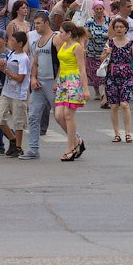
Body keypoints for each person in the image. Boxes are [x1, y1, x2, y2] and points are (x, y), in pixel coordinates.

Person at [54, 22, 90, 162]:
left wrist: (85, 89)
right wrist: (57, 80)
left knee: (68, 116)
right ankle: (76, 141)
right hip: (63, 81)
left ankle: (70, 148)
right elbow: (61, 65)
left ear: (69, 34)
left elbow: (82, 69)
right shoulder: (63, 45)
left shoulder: (77, 47)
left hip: (74, 81)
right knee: (58, 116)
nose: (60, 34)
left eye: (62, 32)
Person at [0, 31, 30, 158]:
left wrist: (6, 71)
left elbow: (21, 78)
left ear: (20, 44)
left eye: (13, 41)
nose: (10, 43)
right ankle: (12, 139)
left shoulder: (24, 58)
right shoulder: (12, 53)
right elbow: (6, 64)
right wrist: (3, 63)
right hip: (7, 91)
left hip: (18, 93)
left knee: (18, 122)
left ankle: (18, 147)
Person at [25, 12, 57, 161]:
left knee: (61, 116)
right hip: (38, 83)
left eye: (38, 23)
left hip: (52, 82)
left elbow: (62, 61)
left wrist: (57, 80)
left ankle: (76, 141)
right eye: (35, 23)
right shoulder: (37, 43)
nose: (35, 26)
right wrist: (32, 78)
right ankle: (33, 149)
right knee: (33, 115)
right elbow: (35, 63)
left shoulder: (55, 39)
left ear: (46, 23)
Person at [103, 17, 133, 143]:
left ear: (126, 29)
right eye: (117, 27)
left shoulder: (131, 43)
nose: (119, 29)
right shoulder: (110, 42)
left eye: (121, 27)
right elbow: (101, 58)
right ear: (114, 29)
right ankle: (117, 133)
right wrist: (106, 52)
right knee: (114, 105)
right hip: (112, 75)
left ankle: (128, 133)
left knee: (124, 104)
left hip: (126, 75)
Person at [83, 1, 111, 107]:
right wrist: (82, 47)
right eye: (97, 9)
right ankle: (97, 91)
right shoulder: (90, 21)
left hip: (105, 51)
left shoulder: (109, 20)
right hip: (92, 51)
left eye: (101, 9)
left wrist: (109, 46)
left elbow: (112, 34)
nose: (99, 11)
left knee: (104, 71)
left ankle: (104, 91)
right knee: (94, 73)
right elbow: (85, 35)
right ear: (93, 10)